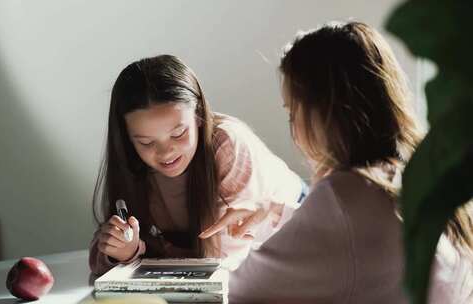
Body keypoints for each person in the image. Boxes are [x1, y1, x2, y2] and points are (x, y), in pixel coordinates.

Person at [228, 21, 473, 304]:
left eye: (293, 112)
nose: (293, 129)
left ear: (325, 110)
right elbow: (359, 250)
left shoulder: (348, 193)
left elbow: (242, 290)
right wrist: (281, 214)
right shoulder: (424, 173)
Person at [89, 54, 306, 277]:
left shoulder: (227, 144)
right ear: (127, 139)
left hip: (296, 225)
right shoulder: (132, 164)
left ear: (199, 116)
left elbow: (224, 261)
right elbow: (99, 259)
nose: (165, 152)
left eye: (179, 133)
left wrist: (151, 256)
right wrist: (125, 252)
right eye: (146, 142)